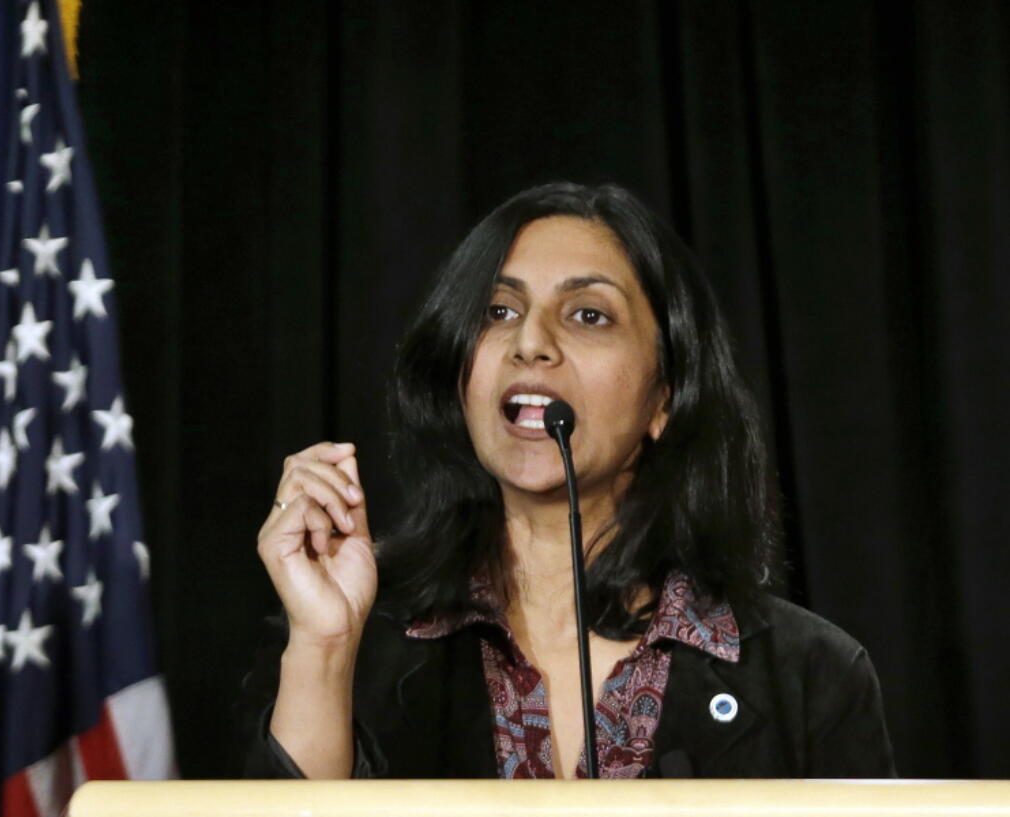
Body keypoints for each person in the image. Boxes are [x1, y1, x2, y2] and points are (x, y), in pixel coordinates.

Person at [239, 181, 895, 779]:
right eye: (498, 310)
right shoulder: (358, 641)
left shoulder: (813, 674)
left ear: (664, 396)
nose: (530, 341)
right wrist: (324, 647)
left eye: (588, 315)